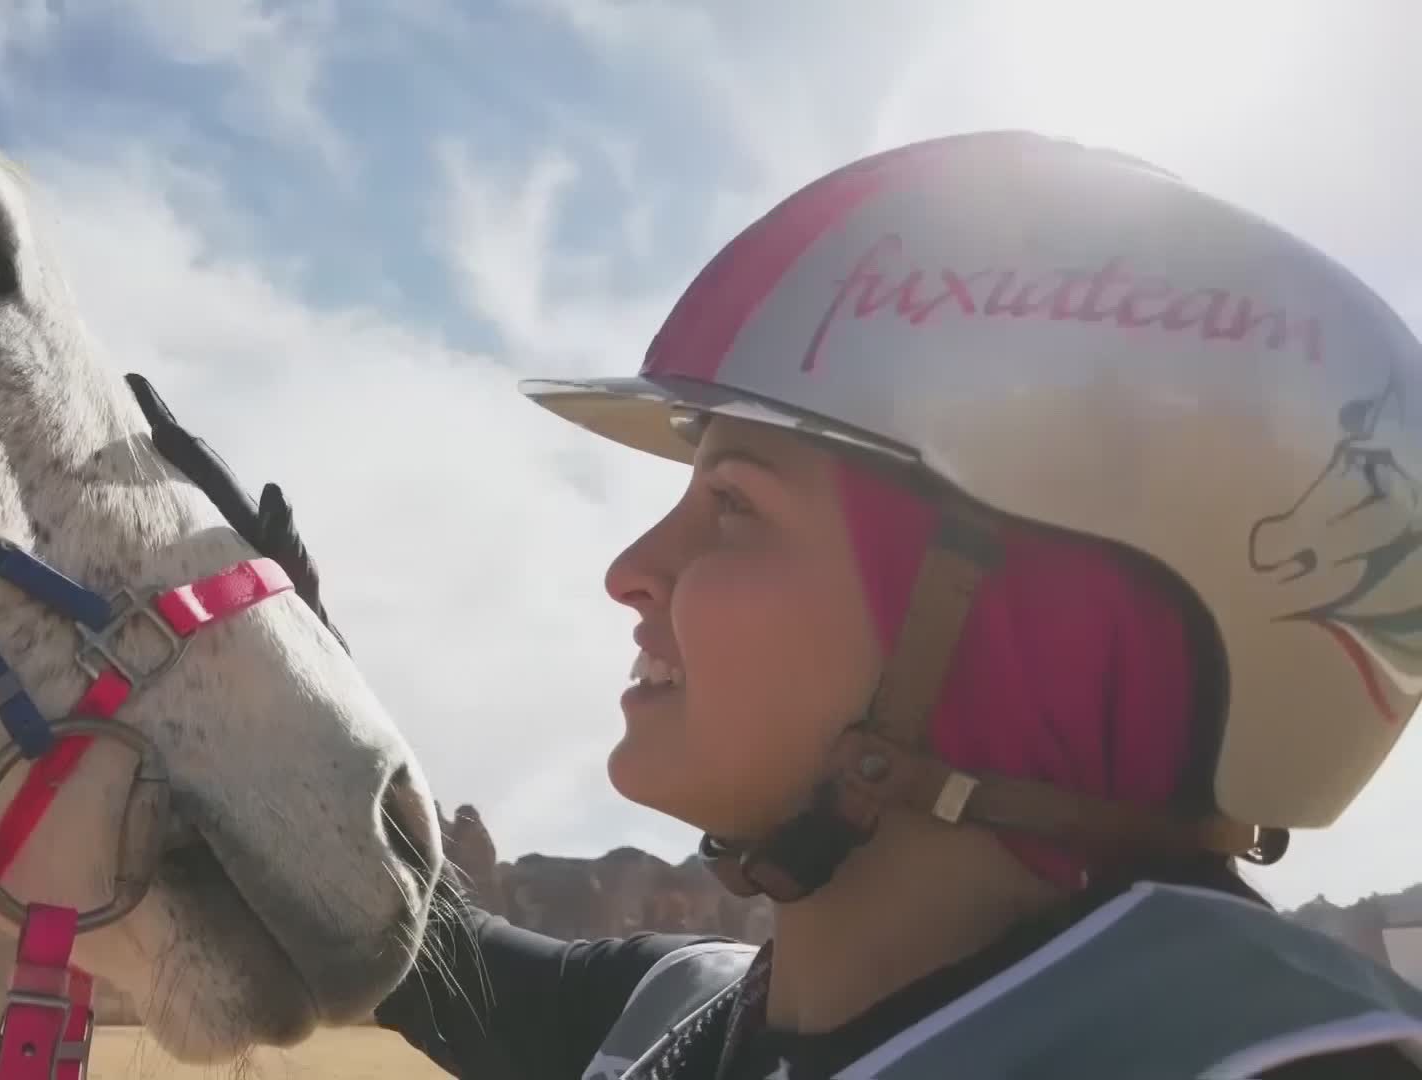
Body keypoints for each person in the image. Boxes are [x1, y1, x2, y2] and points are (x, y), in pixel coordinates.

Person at [373, 130, 1422, 1079]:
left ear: (1031, 635)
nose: (633, 569)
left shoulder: (1277, 1062)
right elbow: (387, 932)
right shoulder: (677, 1019)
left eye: (735, 505)